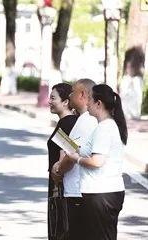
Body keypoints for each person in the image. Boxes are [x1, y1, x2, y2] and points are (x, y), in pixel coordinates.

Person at [65, 84, 127, 240]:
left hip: (102, 194)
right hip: (102, 193)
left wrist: (76, 159)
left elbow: (97, 161)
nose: (87, 103)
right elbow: (85, 149)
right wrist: (70, 146)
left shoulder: (104, 128)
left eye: (90, 100)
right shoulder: (103, 126)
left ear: (98, 103)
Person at [51, 78, 97, 240]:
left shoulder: (79, 122)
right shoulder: (79, 121)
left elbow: (69, 156)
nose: (70, 96)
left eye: (72, 92)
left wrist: (58, 169)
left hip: (78, 191)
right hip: (76, 190)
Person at [46, 83, 78, 239]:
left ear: (66, 102)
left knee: (59, 229)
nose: (49, 101)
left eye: (53, 98)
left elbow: (64, 156)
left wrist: (57, 179)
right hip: (61, 184)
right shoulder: (67, 121)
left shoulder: (67, 123)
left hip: (60, 185)